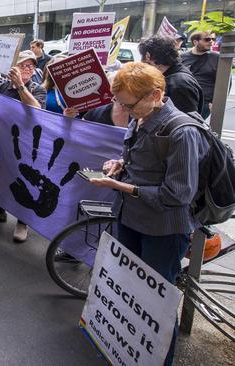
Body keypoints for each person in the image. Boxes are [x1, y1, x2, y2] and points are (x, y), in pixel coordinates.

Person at [88, 62, 209, 366]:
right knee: (129, 293)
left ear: (155, 95)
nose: (126, 112)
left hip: (162, 230)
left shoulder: (182, 132)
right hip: (129, 219)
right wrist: (119, 166)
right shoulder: (140, 117)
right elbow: (139, 160)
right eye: (121, 104)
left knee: (155, 307)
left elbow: (177, 194)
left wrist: (123, 186)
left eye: (129, 105)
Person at [0, 50, 46, 243]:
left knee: (23, 181)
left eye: (31, 66)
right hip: (3, 141)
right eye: (24, 65)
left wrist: (21, 87)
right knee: (2, 176)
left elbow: (37, 110)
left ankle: (22, 222)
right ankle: (0, 211)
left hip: (26, 145)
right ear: (13, 68)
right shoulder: (4, 87)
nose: (28, 69)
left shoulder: (37, 89)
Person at [139, 35, 203, 114]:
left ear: (148, 56)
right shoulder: (172, 77)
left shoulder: (179, 83)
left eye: (142, 56)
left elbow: (186, 121)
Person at [181, 31, 220, 118]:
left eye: (213, 39)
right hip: (184, 98)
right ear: (195, 42)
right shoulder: (182, 57)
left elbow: (224, 83)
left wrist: (216, 102)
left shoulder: (217, 58)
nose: (211, 42)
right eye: (207, 39)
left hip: (204, 102)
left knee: (192, 125)